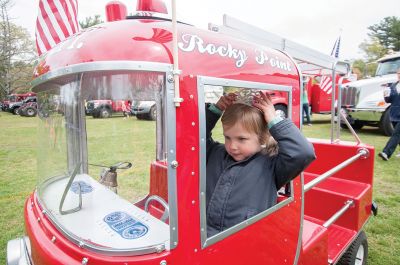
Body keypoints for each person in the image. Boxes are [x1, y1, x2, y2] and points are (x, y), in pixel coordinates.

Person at [205, 92, 316, 237]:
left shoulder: (271, 165)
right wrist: (215, 110)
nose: (232, 146)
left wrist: (273, 119)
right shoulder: (215, 153)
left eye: (242, 139)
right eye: (227, 137)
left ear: (263, 137)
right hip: (206, 240)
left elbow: (303, 152)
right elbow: (191, 136)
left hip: (248, 241)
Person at [378, 67, 400, 161]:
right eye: (398, 73)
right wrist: (385, 95)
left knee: (396, 133)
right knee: (398, 134)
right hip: (394, 114)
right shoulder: (393, 86)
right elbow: (389, 100)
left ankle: (386, 153)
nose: (399, 75)